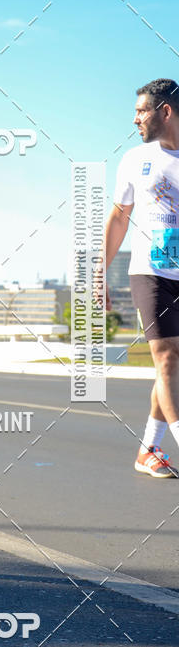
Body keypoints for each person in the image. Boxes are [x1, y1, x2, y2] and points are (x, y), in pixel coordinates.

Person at [105, 78, 179, 479]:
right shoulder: (135, 159)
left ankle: (148, 450)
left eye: (141, 111)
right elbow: (119, 216)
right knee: (166, 354)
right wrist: (99, 272)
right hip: (151, 272)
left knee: (171, 367)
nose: (134, 119)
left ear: (164, 111)